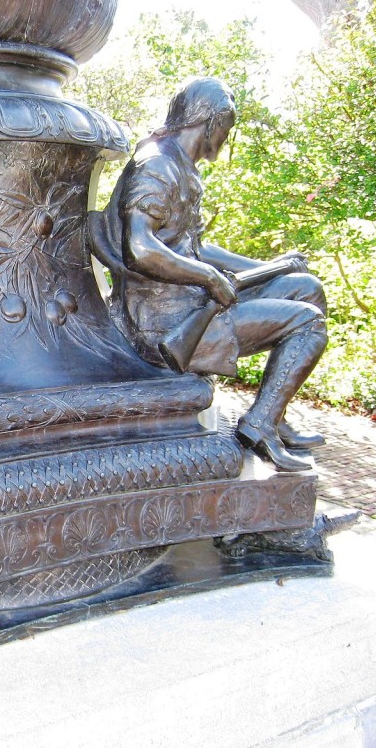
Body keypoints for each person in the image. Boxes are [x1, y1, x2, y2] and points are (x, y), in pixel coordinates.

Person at [90, 77, 327, 472]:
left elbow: (193, 248)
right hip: (165, 323)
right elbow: (141, 249)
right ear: (212, 121)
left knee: (305, 288)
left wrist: (269, 268)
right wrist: (210, 278)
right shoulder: (157, 166)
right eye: (226, 128)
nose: (225, 138)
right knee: (308, 323)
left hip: (193, 302)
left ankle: (273, 414)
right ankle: (259, 427)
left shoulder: (181, 165)